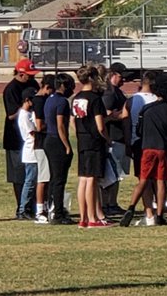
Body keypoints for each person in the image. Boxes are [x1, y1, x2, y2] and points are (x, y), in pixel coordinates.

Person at [120, 72, 167, 227]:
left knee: (143, 180)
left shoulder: (146, 109)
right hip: (163, 149)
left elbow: (138, 130)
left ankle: (131, 208)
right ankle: (159, 214)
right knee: (161, 181)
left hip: (146, 147)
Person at [73, 65, 112, 228]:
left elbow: (72, 121)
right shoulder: (95, 99)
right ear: (92, 79)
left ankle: (83, 217)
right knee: (91, 179)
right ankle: (92, 218)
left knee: (83, 178)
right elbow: (100, 126)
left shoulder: (77, 97)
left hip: (82, 139)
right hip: (94, 141)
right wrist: (107, 139)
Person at [3, 58, 41, 219]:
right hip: (15, 137)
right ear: (20, 73)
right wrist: (25, 109)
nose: (32, 78)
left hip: (33, 138)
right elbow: (11, 115)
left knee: (34, 174)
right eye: (29, 75)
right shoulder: (11, 89)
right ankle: (22, 207)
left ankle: (34, 206)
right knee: (19, 175)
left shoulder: (33, 85)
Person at [44, 73, 75, 224]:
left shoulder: (49, 99)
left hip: (49, 140)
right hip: (57, 141)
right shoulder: (62, 102)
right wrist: (67, 145)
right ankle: (58, 213)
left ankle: (51, 209)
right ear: (63, 85)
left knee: (53, 178)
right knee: (59, 180)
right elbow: (60, 125)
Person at [101, 63, 129, 215]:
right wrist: (122, 115)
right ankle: (108, 203)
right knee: (112, 174)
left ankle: (112, 202)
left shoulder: (117, 91)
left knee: (118, 174)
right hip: (113, 138)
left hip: (120, 138)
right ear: (113, 74)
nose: (123, 79)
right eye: (121, 75)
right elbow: (106, 115)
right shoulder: (109, 94)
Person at [30, 74, 55, 224]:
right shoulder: (39, 101)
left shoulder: (44, 100)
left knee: (48, 177)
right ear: (46, 87)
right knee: (43, 178)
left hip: (47, 143)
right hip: (42, 143)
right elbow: (39, 125)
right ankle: (39, 210)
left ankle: (45, 207)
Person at [18, 88, 41, 222]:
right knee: (30, 182)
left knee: (33, 181)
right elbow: (33, 132)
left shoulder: (29, 114)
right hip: (30, 152)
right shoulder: (24, 116)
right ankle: (23, 209)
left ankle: (28, 207)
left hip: (33, 151)